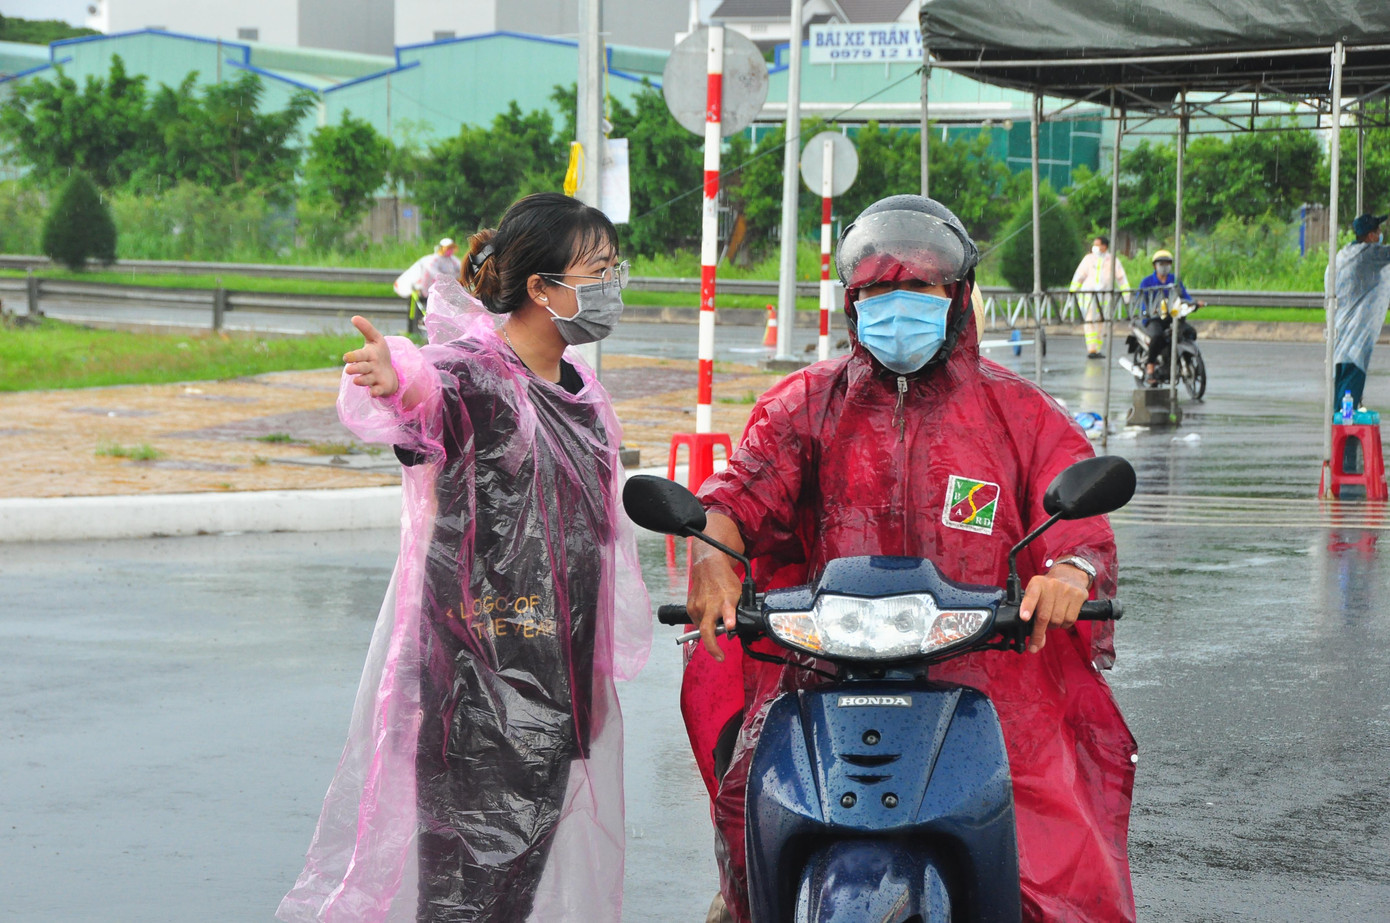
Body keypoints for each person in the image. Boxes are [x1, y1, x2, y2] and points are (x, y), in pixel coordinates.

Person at [683, 195, 1137, 923]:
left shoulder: (1015, 411)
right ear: (852, 299)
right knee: (748, 810)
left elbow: (1072, 515)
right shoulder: (805, 403)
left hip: (987, 675)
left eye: (920, 287)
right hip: (823, 667)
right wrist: (713, 556)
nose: (899, 304)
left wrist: (1068, 572)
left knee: (1061, 856)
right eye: (879, 290)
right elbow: (736, 497)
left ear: (957, 297)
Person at [278, 193, 650, 923]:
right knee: (461, 898)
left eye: (614, 268)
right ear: (542, 288)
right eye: (598, 270)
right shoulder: (474, 375)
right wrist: (396, 380)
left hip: (556, 681)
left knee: (513, 890)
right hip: (473, 693)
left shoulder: (578, 389)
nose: (612, 285)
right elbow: (424, 394)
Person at [1329, 213, 1390, 407]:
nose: (1381, 235)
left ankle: (1339, 430)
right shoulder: (1368, 255)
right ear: (1371, 236)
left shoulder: (1346, 254)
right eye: (1378, 231)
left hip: (1341, 333)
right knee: (1349, 392)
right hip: (1356, 337)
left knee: (1342, 387)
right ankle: (1345, 432)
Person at [1137, 248, 1204, 386]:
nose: (1164, 267)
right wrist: (1149, 311)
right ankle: (1150, 365)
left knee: (1189, 332)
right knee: (1157, 337)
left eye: (1167, 264)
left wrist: (1194, 303)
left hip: (1172, 317)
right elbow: (1141, 301)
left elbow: (1184, 296)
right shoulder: (1147, 282)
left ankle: (1176, 360)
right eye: (1161, 264)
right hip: (1154, 318)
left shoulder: (1174, 280)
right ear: (1155, 265)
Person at [1069, 234, 1130, 358]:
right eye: (1094, 245)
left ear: (1104, 246)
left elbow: (1121, 278)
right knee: (1090, 322)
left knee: (1102, 324)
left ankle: (1097, 349)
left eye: (1097, 245)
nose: (1095, 247)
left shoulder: (1112, 260)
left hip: (1105, 298)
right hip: (1089, 297)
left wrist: (1126, 295)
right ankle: (1091, 350)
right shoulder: (1088, 259)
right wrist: (1072, 294)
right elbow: (1078, 277)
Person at [394, 238, 464, 320]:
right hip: (432, 289)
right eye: (448, 248)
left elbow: (461, 269)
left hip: (447, 289)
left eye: (451, 248)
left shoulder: (452, 260)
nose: (450, 250)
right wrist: (449, 279)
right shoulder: (434, 260)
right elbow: (434, 273)